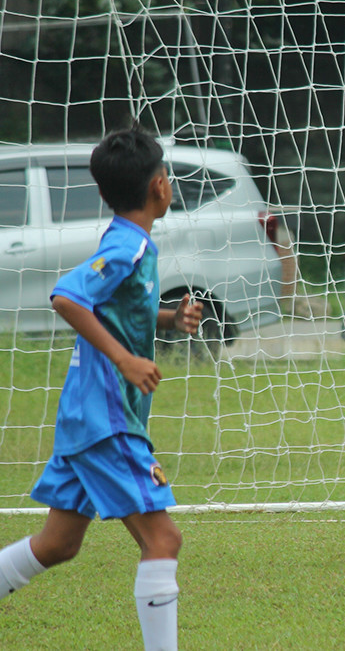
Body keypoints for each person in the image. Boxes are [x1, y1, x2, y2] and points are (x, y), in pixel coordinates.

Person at [0, 127, 202, 651]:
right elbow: (67, 297)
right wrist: (125, 359)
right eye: (170, 176)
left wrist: (167, 318)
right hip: (106, 418)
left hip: (86, 417)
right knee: (164, 539)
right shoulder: (126, 245)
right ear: (159, 186)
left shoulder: (131, 241)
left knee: (59, 543)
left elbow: (120, 311)